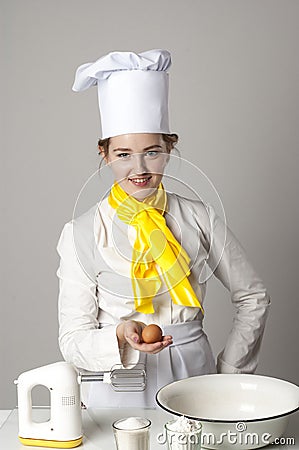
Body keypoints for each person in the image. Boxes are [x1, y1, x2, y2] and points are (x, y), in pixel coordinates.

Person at [56, 49, 271, 408]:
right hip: (117, 383)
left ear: (170, 147)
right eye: (123, 154)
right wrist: (119, 336)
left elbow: (253, 296)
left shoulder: (199, 218)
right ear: (104, 154)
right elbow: (73, 338)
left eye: (152, 151)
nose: (139, 167)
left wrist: (229, 374)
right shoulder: (80, 232)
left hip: (194, 379)